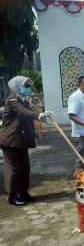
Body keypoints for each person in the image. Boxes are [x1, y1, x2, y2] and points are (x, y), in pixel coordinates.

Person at [0, 76, 53, 205]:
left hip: (20, 139)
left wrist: (38, 114)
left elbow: (26, 111)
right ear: (17, 87)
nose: (28, 89)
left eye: (29, 86)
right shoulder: (13, 99)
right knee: (14, 168)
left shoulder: (22, 99)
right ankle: (12, 195)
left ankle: (23, 192)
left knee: (24, 166)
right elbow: (23, 112)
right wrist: (39, 115)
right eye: (26, 86)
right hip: (10, 139)